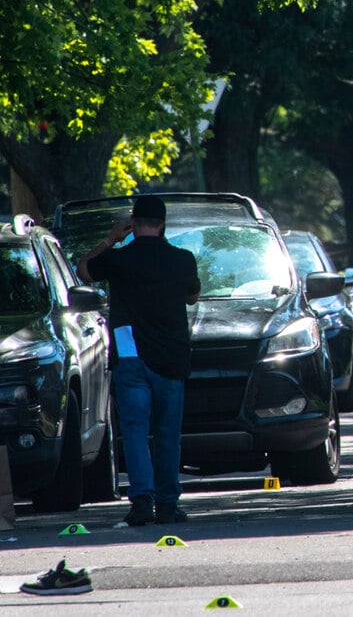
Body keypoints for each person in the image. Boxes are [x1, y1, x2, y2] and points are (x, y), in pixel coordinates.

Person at [78, 197, 200, 525]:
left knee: (134, 429)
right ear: (163, 223)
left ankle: (142, 501)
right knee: (167, 433)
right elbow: (192, 296)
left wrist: (109, 240)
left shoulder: (118, 259)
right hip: (172, 356)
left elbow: (84, 270)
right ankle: (168, 503)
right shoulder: (182, 259)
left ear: (133, 221)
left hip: (130, 352)